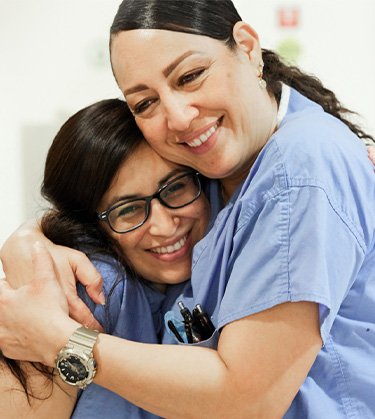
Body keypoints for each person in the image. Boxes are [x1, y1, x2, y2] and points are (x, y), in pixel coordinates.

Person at [1, 0, 375, 417]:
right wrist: (33, 238)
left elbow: (247, 397)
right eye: (145, 103)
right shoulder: (216, 175)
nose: (178, 117)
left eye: (191, 76)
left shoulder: (301, 163)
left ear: (248, 48)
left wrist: (61, 340)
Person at [0, 98, 209, 419]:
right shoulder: (83, 290)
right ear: (91, 224)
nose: (165, 225)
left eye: (175, 187)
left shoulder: (218, 252)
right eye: (127, 210)